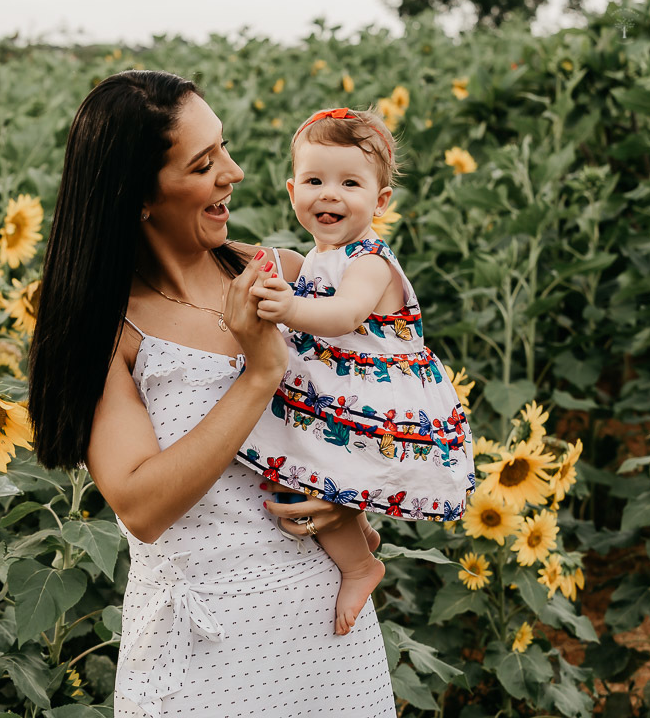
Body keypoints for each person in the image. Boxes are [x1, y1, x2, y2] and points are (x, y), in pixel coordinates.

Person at [29, 72, 397, 718]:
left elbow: (391, 397)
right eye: (203, 164)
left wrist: (352, 493)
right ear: (139, 196)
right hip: (202, 658)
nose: (234, 172)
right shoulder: (107, 329)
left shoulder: (282, 277)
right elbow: (141, 506)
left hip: (330, 639)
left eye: (222, 147)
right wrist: (259, 374)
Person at [239, 107, 476, 637]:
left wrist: (289, 308)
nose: (330, 194)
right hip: (342, 385)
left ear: (380, 200)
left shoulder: (369, 261)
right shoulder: (321, 254)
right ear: (292, 190)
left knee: (316, 472)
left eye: (350, 183)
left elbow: (344, 315)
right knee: (322, 467)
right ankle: (361, 536)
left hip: (371, 393)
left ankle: (359, 566)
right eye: (315, 181)